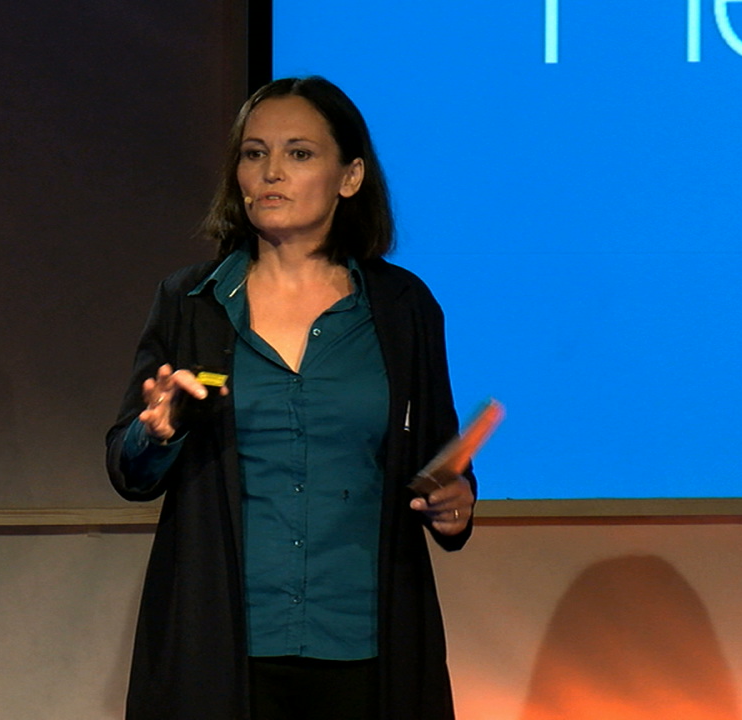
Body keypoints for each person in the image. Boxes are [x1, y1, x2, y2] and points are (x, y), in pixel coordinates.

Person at [106, 76, 476, 720]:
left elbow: (439, 465)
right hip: (222, 645)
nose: (271, 172)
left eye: (299, 153)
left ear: (350, 177)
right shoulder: (191, 304)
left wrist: (456, 504)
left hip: (365, 643)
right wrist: (156, 433)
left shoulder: (403, 308)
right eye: (255, 154)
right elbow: (128, 470)